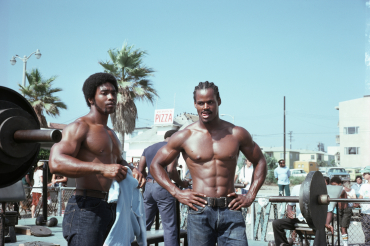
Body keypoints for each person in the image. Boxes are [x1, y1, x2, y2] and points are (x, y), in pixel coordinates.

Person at [150, 81, 267, 246]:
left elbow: (260, 161)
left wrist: (250, 195)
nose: (205, 107)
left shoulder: (236, 133)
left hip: (231, 209)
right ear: (195, 105)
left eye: (210, 102)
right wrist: (177, 193)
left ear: (218, 101)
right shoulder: (185, 136)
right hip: (200, 210)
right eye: (201, 103)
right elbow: (156, 165)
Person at [49, 73, 145, 246]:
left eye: (114, 93)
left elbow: (117, 161)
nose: (111, 97)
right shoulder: (79, 127)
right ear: (91, 99)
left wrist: (132, 169)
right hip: (86, 208)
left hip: (111, 207)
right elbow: (55, 163)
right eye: (104, 93)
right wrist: (101, 168)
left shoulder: (112, 133)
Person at [138, 129, 189, 246]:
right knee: (169, 226)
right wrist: (181, 183)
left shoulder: (148, 148)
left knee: (144, 223)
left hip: (149, 187)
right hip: (163, 187)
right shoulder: (173, 148)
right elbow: (171, 170)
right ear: (174, 137)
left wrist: (148, 182)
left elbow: (140, 171)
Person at [327, 177, 350, 246]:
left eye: (335, 185)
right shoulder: (335, 190)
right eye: (332, 185)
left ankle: (345, 244)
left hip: (345, 210)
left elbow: (340, 194)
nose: (334, 187)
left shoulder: (342, 189)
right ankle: (345, 241)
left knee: (343, 228)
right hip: (339, 210)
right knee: (341, 228)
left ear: (339, 184)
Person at [238, 158, 254, 224]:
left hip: (250, 188)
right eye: (249, 161)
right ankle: (247, 216)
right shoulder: (243, 168)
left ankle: (251, 217)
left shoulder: (253, 169)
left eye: (251, 161)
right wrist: (241, 180)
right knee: (244, 202)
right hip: (244, 188)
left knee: (250, 203)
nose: (250, 163)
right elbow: (240, 177)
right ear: (246, 161)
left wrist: (248, 182)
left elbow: (253, 178)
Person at [359, 166, 370, 245]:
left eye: (365, 173)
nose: (363, 175)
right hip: (365, 212)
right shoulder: (363, 185)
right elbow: (361, 197)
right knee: (366, 231)